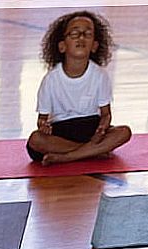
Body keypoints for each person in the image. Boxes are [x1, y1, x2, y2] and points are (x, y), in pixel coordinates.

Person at [26, 10, 132, 165]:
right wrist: (43, 126)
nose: (81, 37)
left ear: (94, 45)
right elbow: (42, 119)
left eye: (87, 34)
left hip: (91, 129)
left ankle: (68, 157)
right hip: (61, 130)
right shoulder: (51, 80)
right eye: (74, 34)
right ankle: (92, 152)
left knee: (124, 132)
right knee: (36, 140)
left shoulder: (99, 75)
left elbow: (105, 114)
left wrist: (102, 130)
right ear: (62, 46)